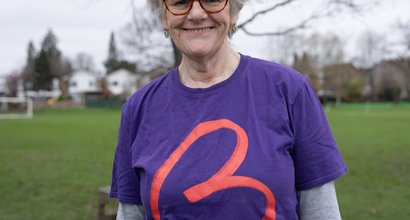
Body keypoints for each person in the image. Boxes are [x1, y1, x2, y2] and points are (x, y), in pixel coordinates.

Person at [110, 0, 348, 219]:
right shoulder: (139, 108)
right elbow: (131, 213)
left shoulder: (290, 90)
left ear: (233, 12)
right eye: (180, 2)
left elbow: (321, 211)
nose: (196, 13)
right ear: (163, 18)